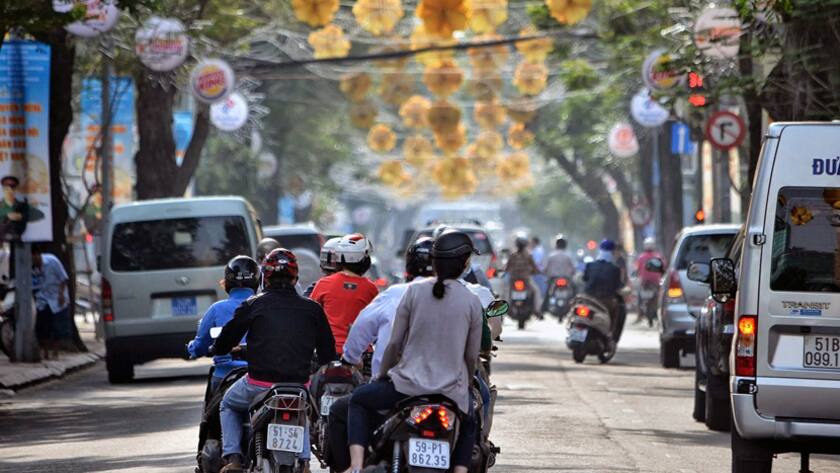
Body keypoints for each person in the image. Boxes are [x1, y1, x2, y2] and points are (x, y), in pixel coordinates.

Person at [327, 237, 497, 471]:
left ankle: (355, 466)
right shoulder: (471, 301)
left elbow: (395, 344)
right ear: (465, 264)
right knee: (470, 422)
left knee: (358, 400)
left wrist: (384, 375)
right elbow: (470, 357)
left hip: (405, 388)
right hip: (450, 392)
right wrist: (464, 384)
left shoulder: (413, 291)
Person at [213, 249, 336, 473]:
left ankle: (234, 459)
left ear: (265, 277)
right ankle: (305, 462)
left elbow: (225, 340)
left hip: (257, 385)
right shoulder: (312, 309)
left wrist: (220, 348)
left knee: (227, 404)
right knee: (302, 409)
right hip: (299, 386)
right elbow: (328, 354)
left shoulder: (253, 304)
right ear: (295, 278)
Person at [187, 256, 259, 392]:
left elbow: (200, 345)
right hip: (261, 376)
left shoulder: (217, 309)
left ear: (227, 282)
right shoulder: (264, 306)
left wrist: (192, 348)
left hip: (225, 375)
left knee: (224, 408)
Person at [309, 234, 379, 355]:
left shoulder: (323, 284)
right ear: (363, 259)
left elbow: (310, 316)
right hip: (360, 353)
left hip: (327, 352)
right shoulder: (370, 288)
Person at [583, 239, 625, 339]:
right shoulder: (615, 269)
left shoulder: (590, 265)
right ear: (612, 252)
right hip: (606, 300)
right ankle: (611, 335)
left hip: (588, 298)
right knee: (619, 311)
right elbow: (618, 285)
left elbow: (584, 279)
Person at [32, 249, 70, 360]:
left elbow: (63, 278)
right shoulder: (31, 267)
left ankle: (55, 352)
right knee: (42, 327)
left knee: (57, 327)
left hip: (56, 297)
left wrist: (61, 294)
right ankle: (45, 352)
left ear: (37, 254)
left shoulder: (52, 261)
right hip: (42, 298)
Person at [504, 235, 541, 314]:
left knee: (507, 292)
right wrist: (536, 272)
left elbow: (507, 268)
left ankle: (505, 311)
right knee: (536, 291)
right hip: (526, 280)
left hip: (513, 279)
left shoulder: (513, 255)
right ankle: (537, 310)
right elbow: (534, 268)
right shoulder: (528, 255)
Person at [0, 176, 44, 241]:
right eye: (6, 186)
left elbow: (40, 214)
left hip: (18, 242)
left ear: (16, 189)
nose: (9, 189)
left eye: (12, 186)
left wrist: (21, 216)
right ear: (3, 188)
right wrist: (6, 216)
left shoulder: (23, 205)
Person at [541, 234, 577, 312]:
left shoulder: (551, 256)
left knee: (547, 293)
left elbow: (545, 269)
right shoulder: (568, 256)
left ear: (556, 245)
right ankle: (576, 306)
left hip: (553, 278)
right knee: (575, 290)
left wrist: (545, 273)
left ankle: (543, 310)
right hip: (566, 278)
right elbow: (573, 269)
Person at [635, 237, 663, 324]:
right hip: (655, 282)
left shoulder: (641, 257)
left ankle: (639, 315)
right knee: (658, 297)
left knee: (639, 296)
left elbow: (638, 269)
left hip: (645, 282)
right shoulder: (658, 256)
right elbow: (662, 268)